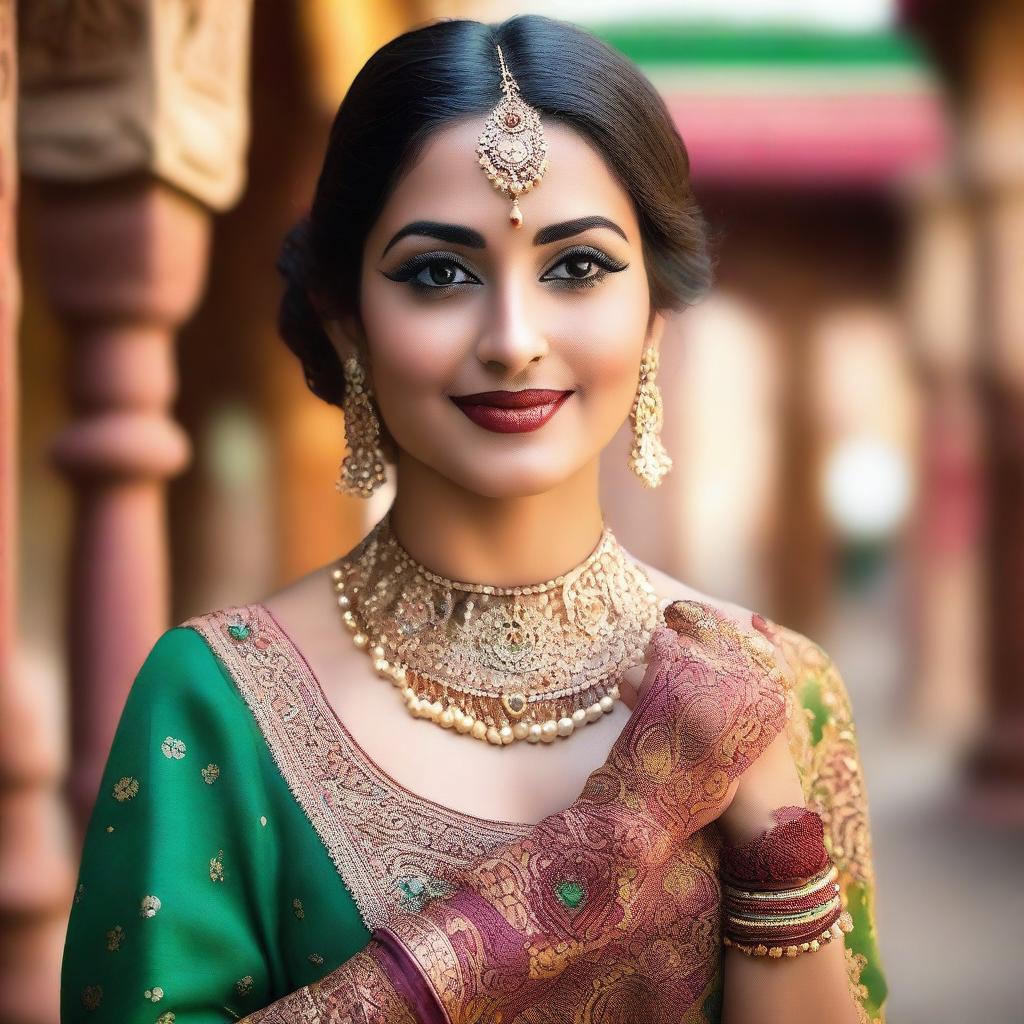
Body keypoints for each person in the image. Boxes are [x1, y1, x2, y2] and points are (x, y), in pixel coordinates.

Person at [59, 15, 888, 1024]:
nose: (511, 338)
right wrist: (623, 828)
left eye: (576, 267)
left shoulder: (776, 690)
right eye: (437, 273)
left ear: (653, 315)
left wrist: (775, 854)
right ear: (343, 318)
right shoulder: (214, 699)